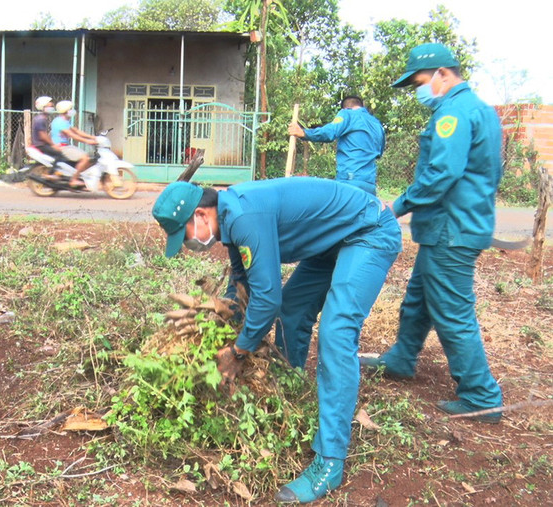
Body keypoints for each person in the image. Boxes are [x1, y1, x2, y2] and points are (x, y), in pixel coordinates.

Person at [152, 178, 401, 503]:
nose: (187, 245)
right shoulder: (229, 216)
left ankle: (330, 460)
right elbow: (243, 281)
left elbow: (267, 299)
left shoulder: (242, 218)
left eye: (183, 236)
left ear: (200, 215)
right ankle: (289, 385)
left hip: (368, 231)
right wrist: (223, 320)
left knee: (336, 333)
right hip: (331, 241)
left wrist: (238, 351)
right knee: (293, 312)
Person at [359, 43, 504, 423]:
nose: (419, 91)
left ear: (442, 74)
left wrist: (398, 204)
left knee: (453, 313)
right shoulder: (482, 111)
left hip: (450, 229)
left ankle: (481, 395)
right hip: (459, 224)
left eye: (420, 82)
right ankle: (402, 358)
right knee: (418, 298)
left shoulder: (453, 114)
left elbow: (442, 174)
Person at [288, 96, 385, 194]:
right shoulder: (377, 124)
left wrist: (304, 133)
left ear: (345, 108)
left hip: (349, 180)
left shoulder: (347, 113)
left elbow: (330, 132)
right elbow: (379, 153)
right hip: (369, 183)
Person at [50, 100, 98, 188]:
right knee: (85, 158)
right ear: (65, 111)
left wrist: (93, 137)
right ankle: (74, 179)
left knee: (87, 158)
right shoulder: (59, 122)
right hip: (61, 147)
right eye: (71, 109)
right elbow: (72, 135)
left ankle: (79, 177)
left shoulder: (65, 121)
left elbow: (76, 131)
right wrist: (88, 141)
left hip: (66, 146)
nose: (73, 111)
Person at [30, 95, 64, 166]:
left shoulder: (41, 118)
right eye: (49, 107)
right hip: (40, 146)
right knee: (60, 155)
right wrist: (54, 145)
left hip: (41, 145)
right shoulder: (41, 119)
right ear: (43, 108)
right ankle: (51, 174)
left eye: (52, 107)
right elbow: (43, 136)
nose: (52, 108)